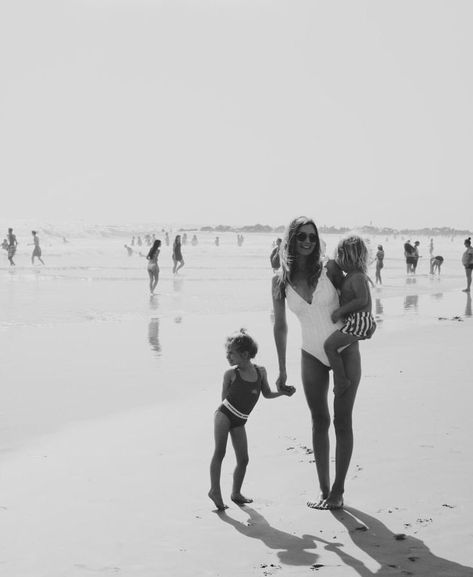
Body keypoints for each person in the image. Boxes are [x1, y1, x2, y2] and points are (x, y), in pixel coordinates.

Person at [272, 216, 362, 511]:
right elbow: (281, 326)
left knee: (342, 421)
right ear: (291, 240)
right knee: (319, 421)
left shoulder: (331, 270)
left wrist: (364, 324)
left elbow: (359, 295)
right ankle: (324, 489)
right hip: (310, 352)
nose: (308, 241)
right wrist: (282, 369)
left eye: (312, 236)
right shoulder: (279, 281)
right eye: (302, 237)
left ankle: (338, 490)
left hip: (345, 349)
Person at [209, 329, 295, 511]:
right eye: (227, 353)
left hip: (240, 420)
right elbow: (224, 400)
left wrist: (283, 393)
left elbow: (267, 393)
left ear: (245, 354)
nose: (228, 356)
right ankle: (215, 490)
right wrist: (227, 418)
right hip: (224, 415)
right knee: (220, 452)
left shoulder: (260, 371)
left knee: (244, 459)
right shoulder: (230, 374)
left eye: (231, 353)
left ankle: (236, 493)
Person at [323, 236, 376, 396]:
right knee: (333, 346)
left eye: (341, 257)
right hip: (359, 321)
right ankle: (340, 377)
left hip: (359, 321)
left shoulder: (358, 277)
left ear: (350, 258)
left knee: (329, 346)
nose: (338, 261)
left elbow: (362, 300)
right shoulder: (350, 276)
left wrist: (340, 312)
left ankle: (341, 380)